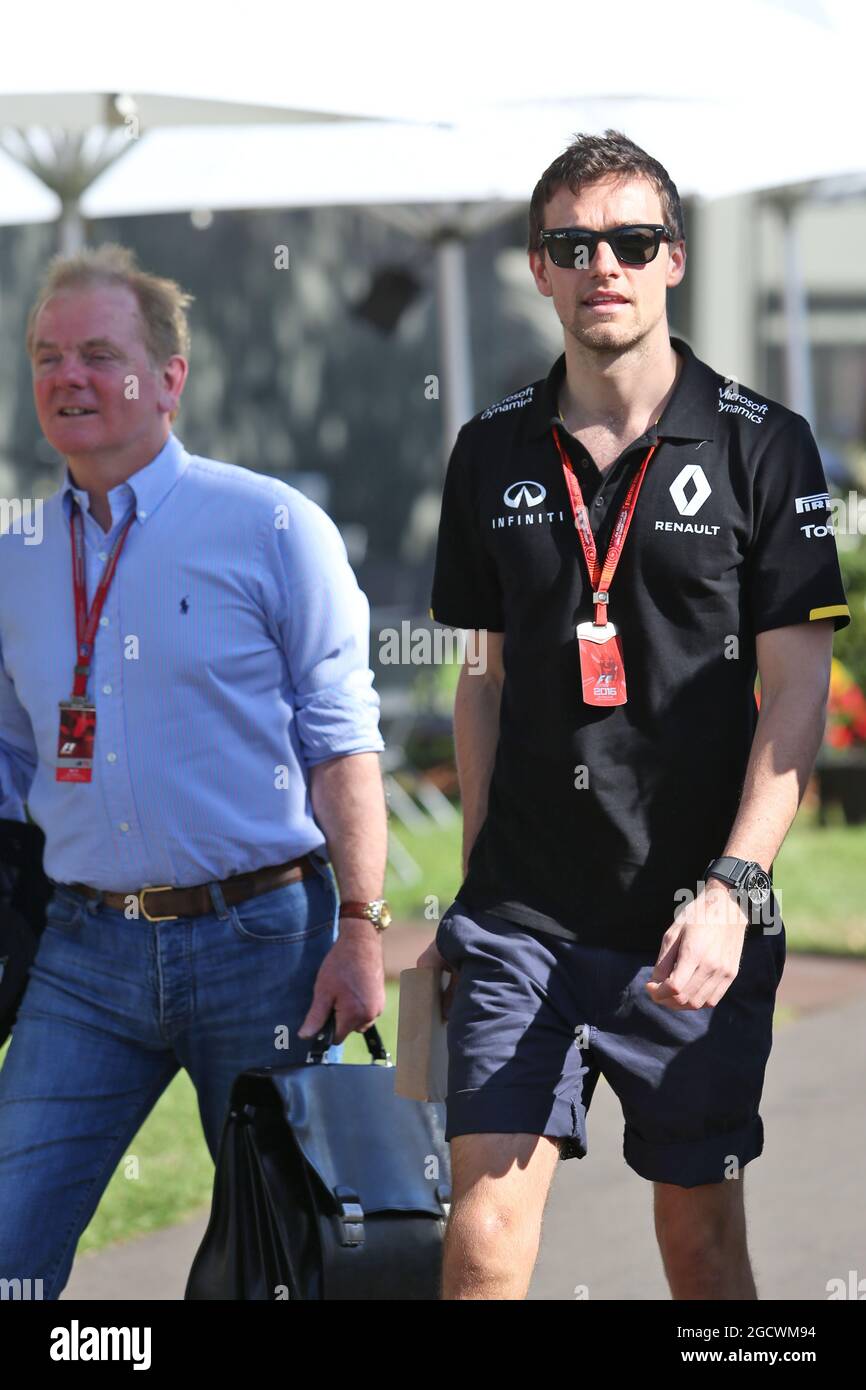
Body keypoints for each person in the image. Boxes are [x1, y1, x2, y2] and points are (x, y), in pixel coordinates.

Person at [420, 130, 850, 1300]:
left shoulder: (765, 444)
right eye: (572, 243)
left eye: (629, 239)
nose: (599, 262)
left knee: (699, 1250)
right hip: (524, 922)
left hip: (689, 922)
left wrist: (733, 890)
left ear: (670, 259)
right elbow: (484, 679)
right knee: (480, 1241)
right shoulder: (487, 451)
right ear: (537, 268)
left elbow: (794, 692)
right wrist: (470, 899)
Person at [0, 244, 391, 1300]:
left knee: (298, 1263)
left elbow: (341, 737)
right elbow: (10, 755)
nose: (67, 377)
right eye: (46, 356)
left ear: (169, 379)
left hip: (266, 942)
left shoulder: (270, 528)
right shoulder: (16, 553)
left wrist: (360, 923)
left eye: (97, 355)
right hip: (84, 955)